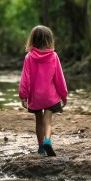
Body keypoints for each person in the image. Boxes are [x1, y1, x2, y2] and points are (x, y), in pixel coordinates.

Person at [19, 25, 68, 157]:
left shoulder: (29, 57)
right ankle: (47, 140)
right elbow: (59, 78)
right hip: (50, 96)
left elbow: (25, 78)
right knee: (48, 121)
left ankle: (41, 147)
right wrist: (64, 94)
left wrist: (23, 96)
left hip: (36, 97)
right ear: (49, 40)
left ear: (33, 39)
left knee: (38, 121)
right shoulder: (53, 56)